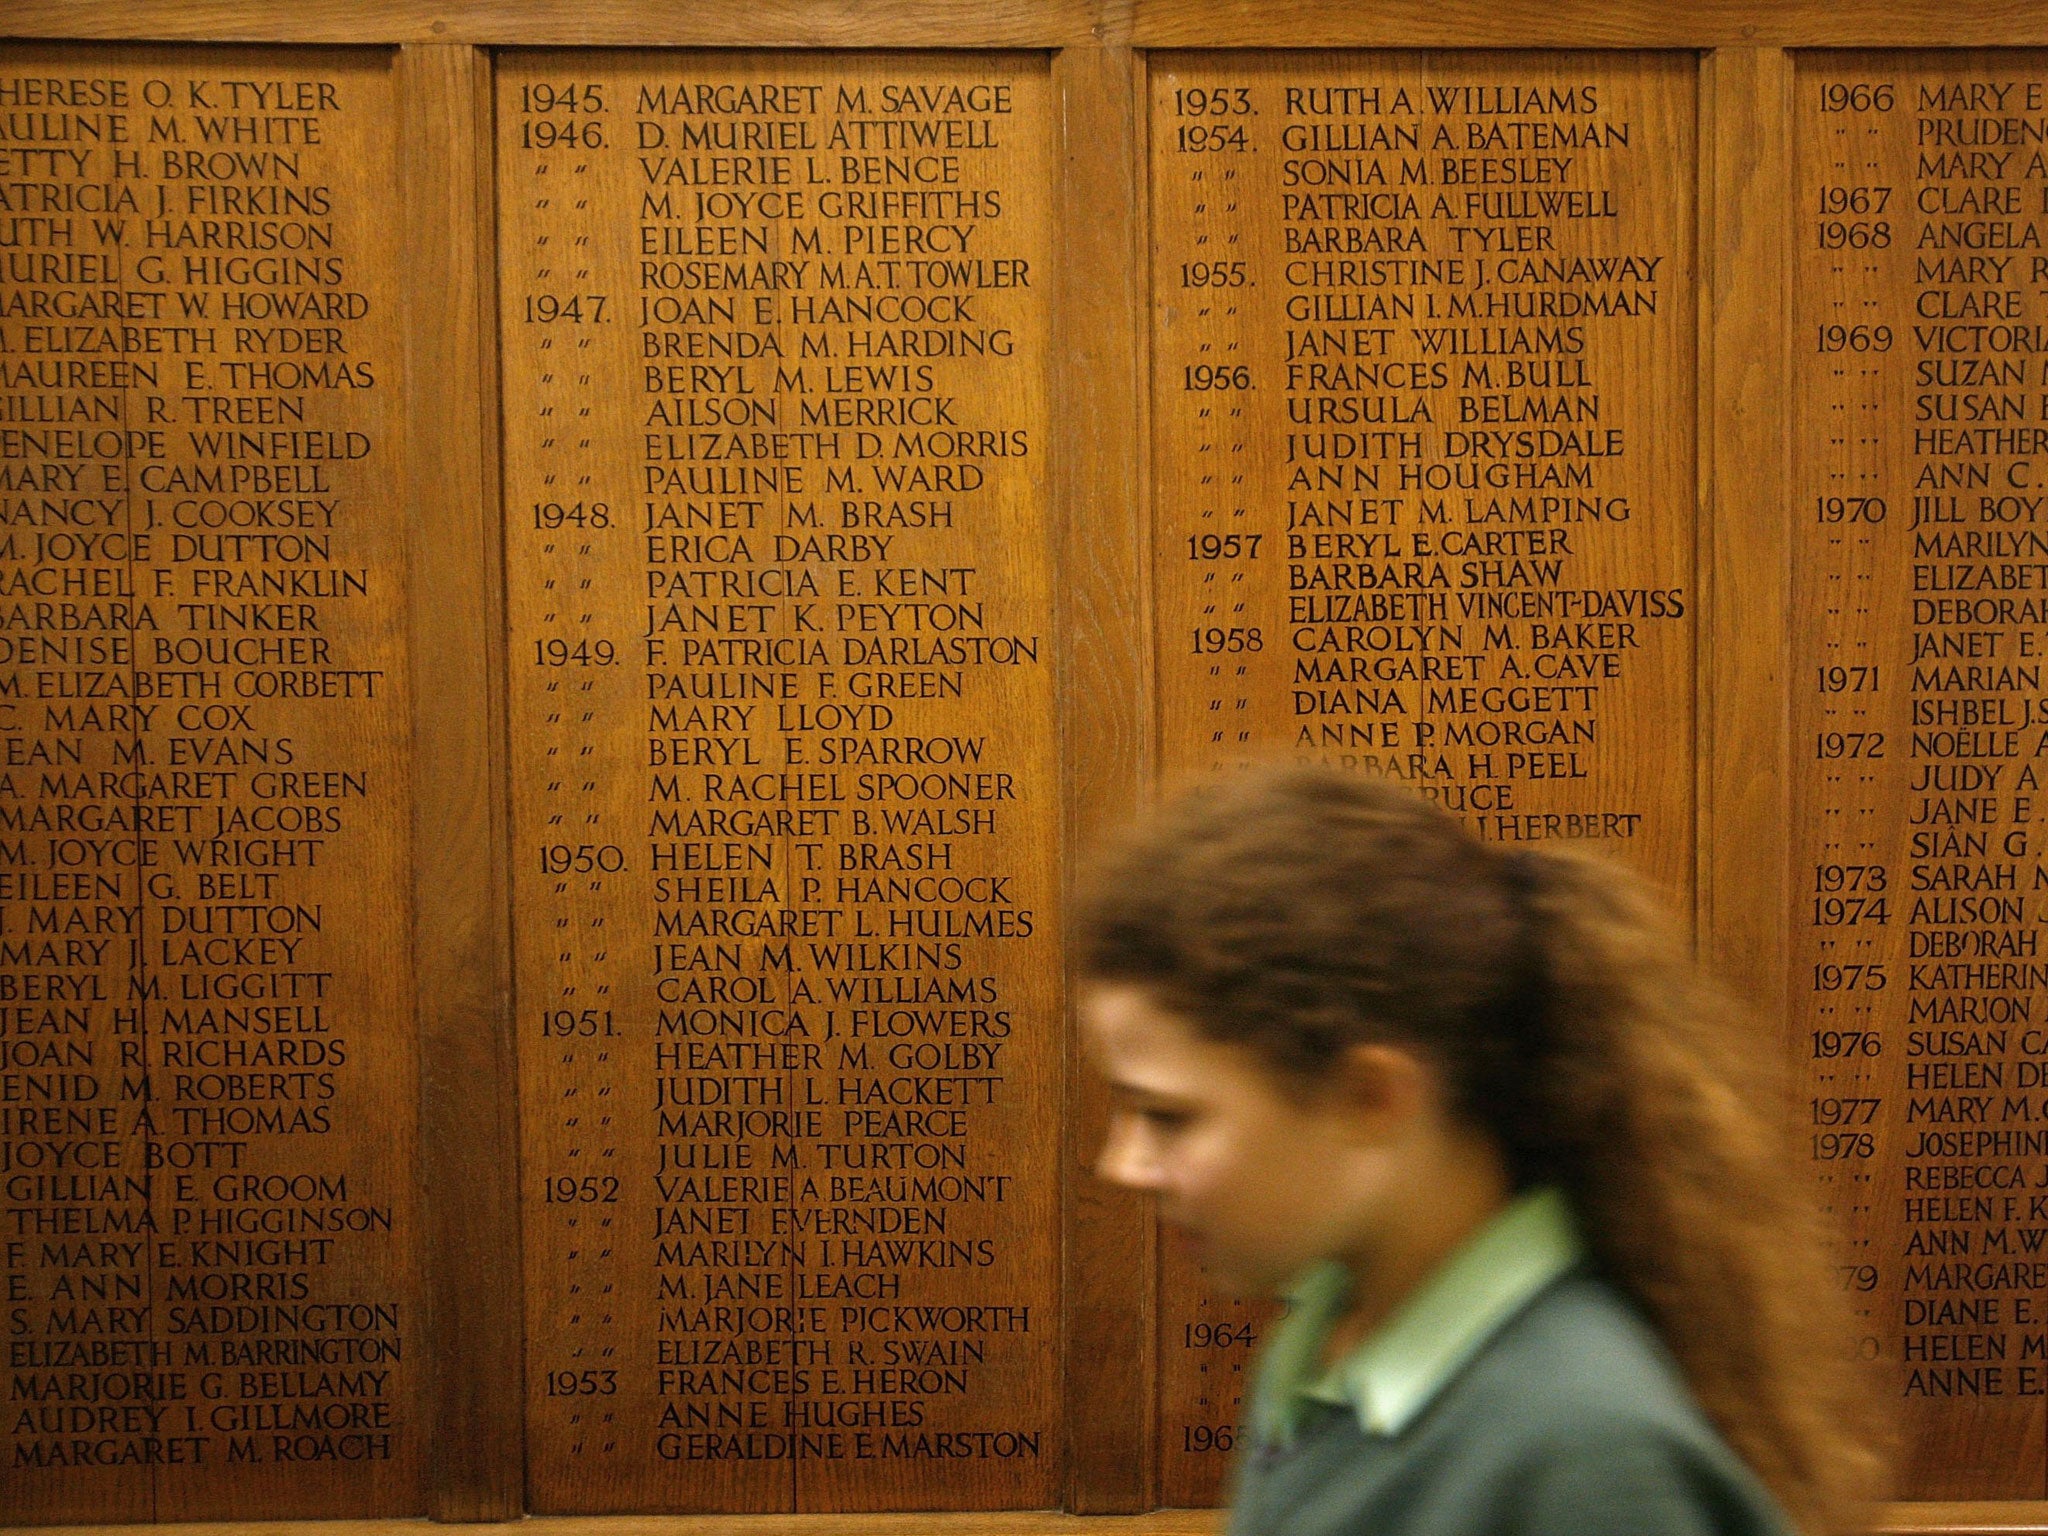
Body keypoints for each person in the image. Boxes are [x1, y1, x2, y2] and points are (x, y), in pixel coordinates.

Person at [1076, 766, 1886, 1536]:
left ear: (1371, 1098)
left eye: (1168, 1117)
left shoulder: (1584, 1448)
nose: (1125, 1163)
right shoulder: (1322, 1340)